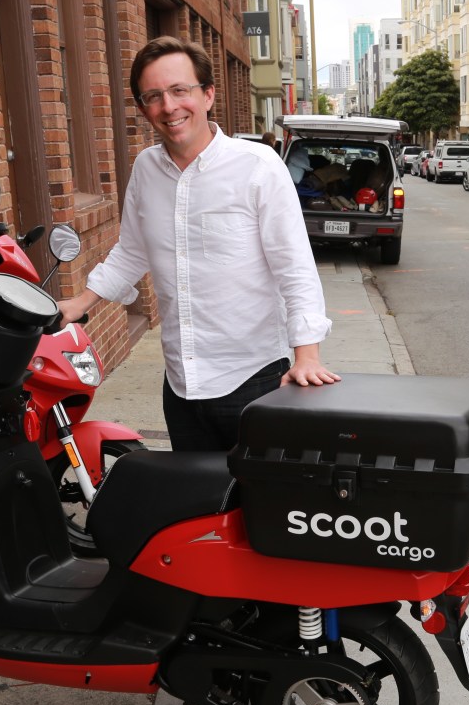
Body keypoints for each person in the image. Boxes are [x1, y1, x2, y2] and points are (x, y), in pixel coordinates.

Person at [57, 36, 339, 452]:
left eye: (179, 90)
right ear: (143, 108)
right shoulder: (146, 169)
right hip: (181, 385)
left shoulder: (257, 167)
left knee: (258, 509)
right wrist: (79, 304)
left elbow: (293, 266)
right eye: (153, 96)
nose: (168, 107)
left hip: (255, 379)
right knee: (199, 508)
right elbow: (132, 251)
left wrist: (307, 356)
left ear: (207, 95)